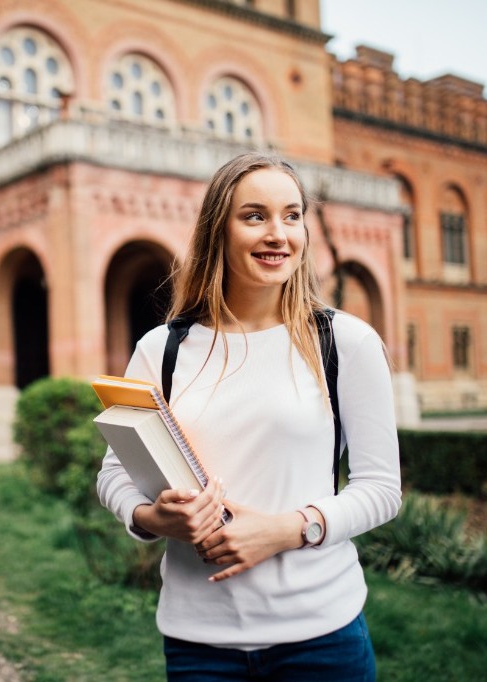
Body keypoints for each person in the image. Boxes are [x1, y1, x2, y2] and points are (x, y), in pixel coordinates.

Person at [97, 152, 401, 681]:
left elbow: (381, 488)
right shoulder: (161, 349)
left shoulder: (344, 342)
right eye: (255, 215)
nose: (278, 233)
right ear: (219, 229)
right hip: (199, 644)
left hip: (322, 636)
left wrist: (288, 530)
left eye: (292, 215)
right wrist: (150, 518)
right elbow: (114, 473)